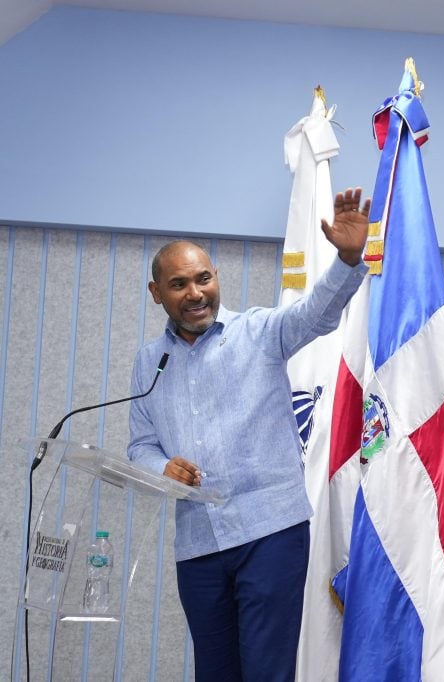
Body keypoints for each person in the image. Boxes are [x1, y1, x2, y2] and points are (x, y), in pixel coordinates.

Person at [127, 188, 370, 681]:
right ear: (157, 294)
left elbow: (316, 315)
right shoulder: (149, 361)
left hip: (270, 533)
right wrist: (163, 467)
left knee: (265, 672)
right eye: (179, 284)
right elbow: (140, 446)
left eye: (204, 279)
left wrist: (347, 258)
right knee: (215, 673)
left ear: (216, 279)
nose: (195, 293)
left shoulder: (259, 332)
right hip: (198, 545)